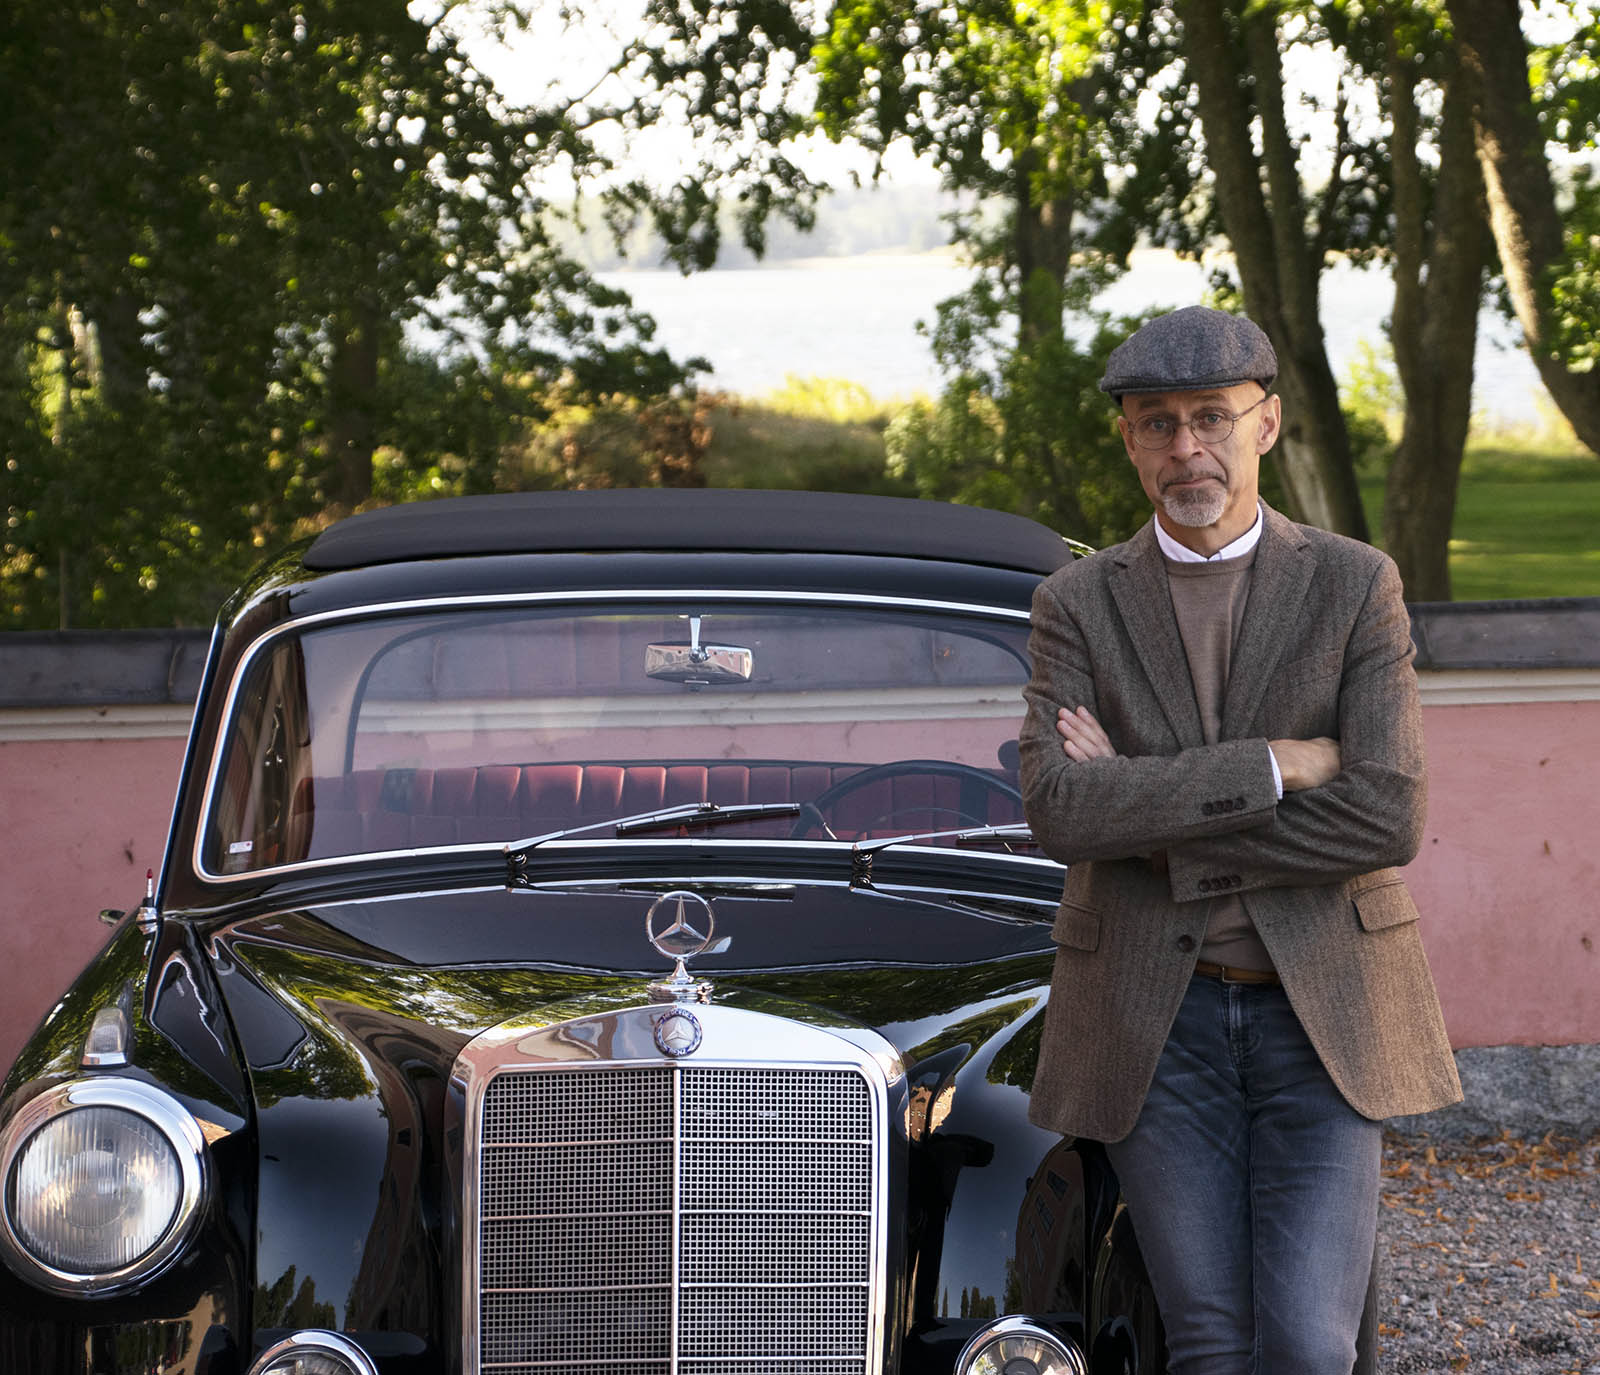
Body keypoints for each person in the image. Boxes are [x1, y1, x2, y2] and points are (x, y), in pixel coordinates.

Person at [1018, 306, 1461, 1373]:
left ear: (1263, 425)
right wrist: (1276, 763)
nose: (1185, 448)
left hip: (1322, 1013)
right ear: (1127, 439)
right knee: (1209, 1342)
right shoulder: (1075, 603)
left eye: (1210, 416)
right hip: (1151, 1021)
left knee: (1307, 1343)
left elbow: (1386, 813)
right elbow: (1061, 811)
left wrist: (1155, 817)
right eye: (1157, 422)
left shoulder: (1355, 584)